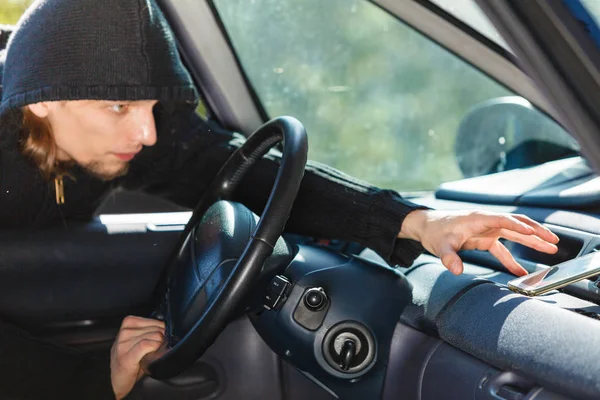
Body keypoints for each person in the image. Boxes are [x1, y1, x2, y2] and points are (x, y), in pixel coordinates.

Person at [0, 0, 560, 399]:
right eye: (119, 108)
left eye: (150, 106)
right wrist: (90, 382)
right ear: (42, 100)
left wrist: (417, 222)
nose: (146, 134)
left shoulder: (124, 139)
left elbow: (249, 173)